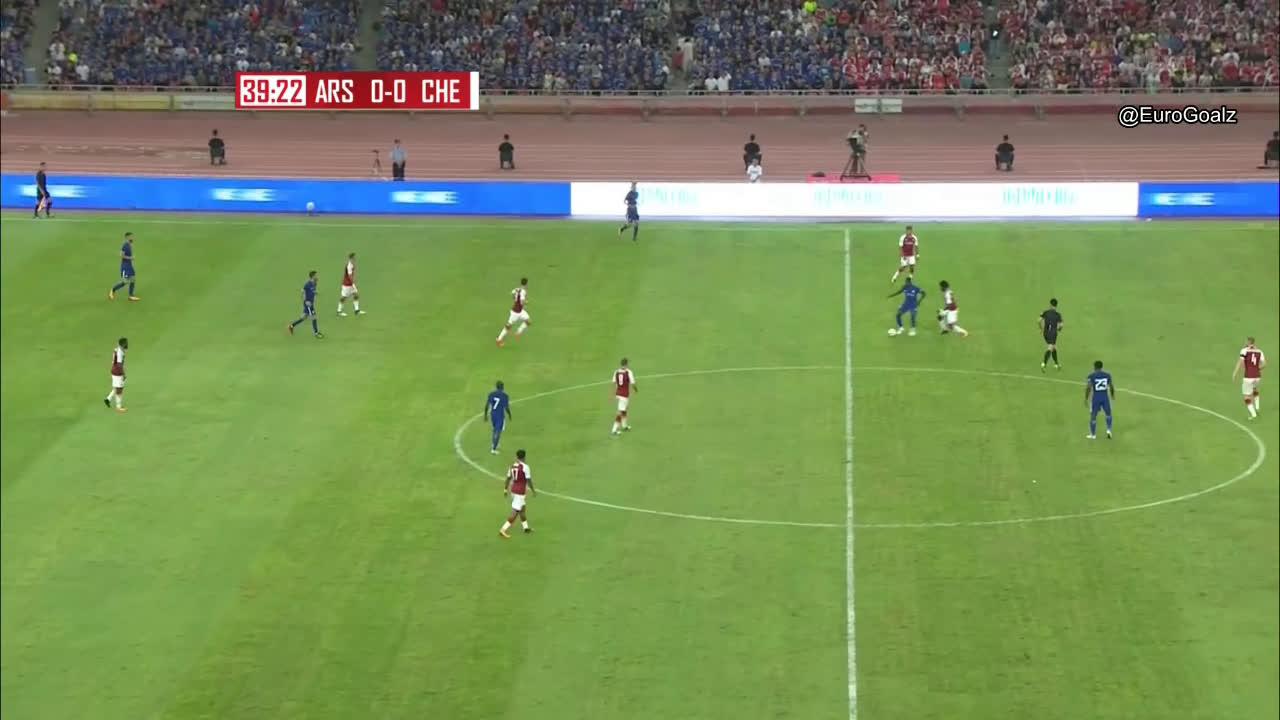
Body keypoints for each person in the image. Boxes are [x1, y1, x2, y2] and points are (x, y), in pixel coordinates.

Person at [499, 449, 535, 538]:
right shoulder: (525, 467)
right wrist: (533, 490)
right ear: (524, 457)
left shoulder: (512, 466)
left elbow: (508, 478)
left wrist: (505, 489)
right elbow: (528, 480)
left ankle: (526, 528)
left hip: (513, 491)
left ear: (517, 456)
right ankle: (503, 529)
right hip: (520, 492)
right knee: (515, 512)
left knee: (522, 509)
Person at [1232, 337, 1266, 419]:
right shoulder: (1259, 351)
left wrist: (1235, 373)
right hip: (1257, 376)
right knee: (1254, 389)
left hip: (1248, 377)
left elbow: (1241, 363)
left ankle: (1253, 415)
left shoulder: (1244, 350)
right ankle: (1257, 407)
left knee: (1246, 397)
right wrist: (1257, 369)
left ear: (1248, 342)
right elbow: (1264, 364)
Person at [287, 271, 324, 338]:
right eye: (316, 275)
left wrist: (315, 292)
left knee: (304, 317)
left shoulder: (315, 283)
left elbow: (312, 291)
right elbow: (302, 292)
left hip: (311, 303)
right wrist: (305, 301)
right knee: (314, 317)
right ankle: (316, 333)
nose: (317, 277)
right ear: (313, 276)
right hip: (308, 304)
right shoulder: (307, 284)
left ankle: (291, 326)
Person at [1085, 360, 1115, 439]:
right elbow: (1111, 386)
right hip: (1105, 397)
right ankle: (1108, 430)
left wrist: (1086, 398)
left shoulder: (1091, 376)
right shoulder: (1107, 375)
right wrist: (1112, 395)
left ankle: (1093, 435)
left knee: (1093, 416)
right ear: (1102, 367)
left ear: (1094, 367)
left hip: (1096, 398)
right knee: (1108, 414)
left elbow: (1088, 387)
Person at [496, 277, 530, 347]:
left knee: (528, 321)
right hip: (515, 312)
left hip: (520, 311)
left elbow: (512, 293)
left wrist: (515, 299)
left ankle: (518, 332)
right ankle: (499, 339)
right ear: (526, 284)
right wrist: (526, 302)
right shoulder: (523, 291)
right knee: (508, 326)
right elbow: (522, 302)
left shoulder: (517, 289)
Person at [108, 231, 139, 301]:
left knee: (133, 279)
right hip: (125, 267)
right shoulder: (125, 245)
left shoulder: (129, 244)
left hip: (130, 266)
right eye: (131, 236)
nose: (132, 238)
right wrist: (131, 258)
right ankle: (112, 290)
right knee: (125, 282)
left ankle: (131, 296)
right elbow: (121, 255)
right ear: (127, 237)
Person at [611, 358, 638, 435]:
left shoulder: (616, 372)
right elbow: (633, 383)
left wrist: (614, 393)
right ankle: (614, 429)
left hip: (618, 393)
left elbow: (614, 382)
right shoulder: (628, 372)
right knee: (620, 412)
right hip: (624, 395)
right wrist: (636, 390)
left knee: (624, 409)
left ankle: (624, 425)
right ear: (626, 364)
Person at [485, 381, 513, 454]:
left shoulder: (491, 394)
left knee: (494, 429)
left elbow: (487, 405)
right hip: (500, 415)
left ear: (496, 386)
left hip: (493, 414)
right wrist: (509, 414)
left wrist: (485, 415)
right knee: (498, 431)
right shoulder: (505, 396)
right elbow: (506, 407)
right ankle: (494, 449)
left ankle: (494, 444)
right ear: (502, 387)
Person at [104, 337, 128, 413]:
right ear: (123, 344)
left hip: (115, 370)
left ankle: (108, 399)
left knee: (117, 387)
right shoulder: (120, 352)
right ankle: (119, 407)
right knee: (119, 389)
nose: (127, 344)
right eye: (126, 343)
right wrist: (123, 374)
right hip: (117, 371)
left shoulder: (118, 349)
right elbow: (119, 364)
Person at [1039, 298, 1063, 371]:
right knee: (1050, 347)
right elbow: (1061, 325)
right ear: (1056, 305)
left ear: (1050, 304)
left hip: (1045, 333)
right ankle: (1044, 363)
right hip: (1052, 333)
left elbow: (1039, 320)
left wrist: (1041, 329)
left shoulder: (1045, 312)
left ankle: (1056, 364)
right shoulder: (1058, 315)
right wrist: (1059, 329)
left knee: (1053, 347)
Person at [336, 252, 363, 316]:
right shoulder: (349, 265)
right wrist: (353, 283)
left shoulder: (352, 264)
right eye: (354, 257)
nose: (355, 258)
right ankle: (339, 311)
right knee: (343, 297)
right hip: (347, 284)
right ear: (351, 258)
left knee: (356, 295)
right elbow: (349, 275)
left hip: (350, 284)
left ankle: (357, 310)